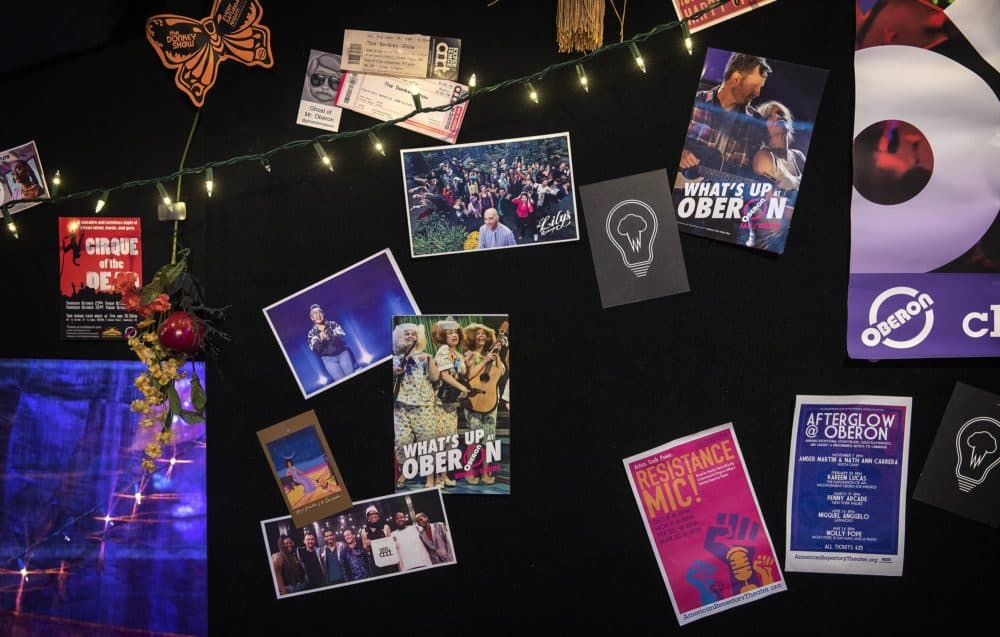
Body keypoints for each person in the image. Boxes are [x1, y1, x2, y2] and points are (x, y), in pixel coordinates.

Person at [678, 53, 771, 180]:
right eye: (755, 86)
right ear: (735, 78)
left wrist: (764, 185)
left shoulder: (756, 123)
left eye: (760, 87)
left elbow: (750, 172)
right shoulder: (696, 102)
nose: (758, 93)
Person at [393, 323, 440, 489]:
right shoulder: (395, 359)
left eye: (414, 334)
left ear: (418, 337)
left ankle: (430, 479)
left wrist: (430, 359)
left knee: (427, 442)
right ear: (400, 337)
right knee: (402, 441)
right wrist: (396, 370)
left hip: (423, 405)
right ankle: (406, 470)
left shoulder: (425, 356)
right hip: (401, 406)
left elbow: (434, 378)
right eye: (407, 334)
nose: (411, 336)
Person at [462, 323, 506, 485]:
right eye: (478, 333)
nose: (481, 336)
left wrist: (497, 355)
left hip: (491, 399)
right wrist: (485, 359)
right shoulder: (469, 354)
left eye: (484, 334)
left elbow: (500, 373)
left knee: (488, 438)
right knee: (474, 438)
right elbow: (468, 375)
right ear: (473, 336)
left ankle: (486, 474)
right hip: (474, 400)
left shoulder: (492, 354)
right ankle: (469, 472)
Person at [430, 317, 467, 487]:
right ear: (443, 336)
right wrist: (463, 389)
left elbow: (462, 374)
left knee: (449, 441)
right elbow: (444, 375)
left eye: (455, 332)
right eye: (449, 333)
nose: (454, 335)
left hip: (452, 404)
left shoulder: (458, 354)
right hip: (441, 402)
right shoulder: (443, 350)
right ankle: (439, 477)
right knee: (440, 441)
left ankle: (444, 475)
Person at [752, 101, 806, 192]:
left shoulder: (798, 155)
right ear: (763, 125)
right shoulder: (763, 157)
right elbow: (766, 201)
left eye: (781, 113)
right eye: (769, 116)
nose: (778, 116)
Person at [307, 304, 357, 382]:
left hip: (343, 354)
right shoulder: (311, 333)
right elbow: (316, 349)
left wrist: (328, 337)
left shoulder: (333, 324)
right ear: (312, 318)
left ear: (323, 314)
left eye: (319, 312)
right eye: (315, 314)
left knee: (351, 375)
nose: (318, 315)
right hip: (328, 360)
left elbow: (340, 337)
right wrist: (321, 339)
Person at [360, 505, 399, 575]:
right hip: (375, 563)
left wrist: (393, 541)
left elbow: (391, 544)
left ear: (377, 515)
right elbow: (365, 547)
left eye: (374, 513)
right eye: (370, 514)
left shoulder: (386, 527)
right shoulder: (364, 531)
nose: (373, 515)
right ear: (368, 517)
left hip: (388, 559)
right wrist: (368, 546)